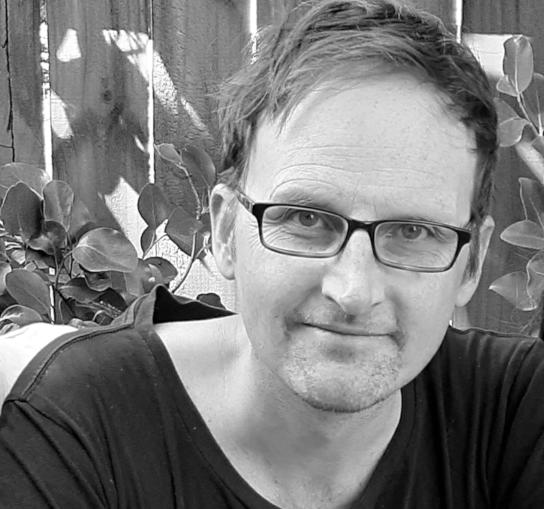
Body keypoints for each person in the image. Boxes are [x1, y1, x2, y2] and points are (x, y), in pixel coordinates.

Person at [1, 0, 543, 507]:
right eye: (306, 219)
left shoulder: (516, 413)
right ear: (225, 231)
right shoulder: (82, 426)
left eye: (414, 231)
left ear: (472, 263)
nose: (353, 292)